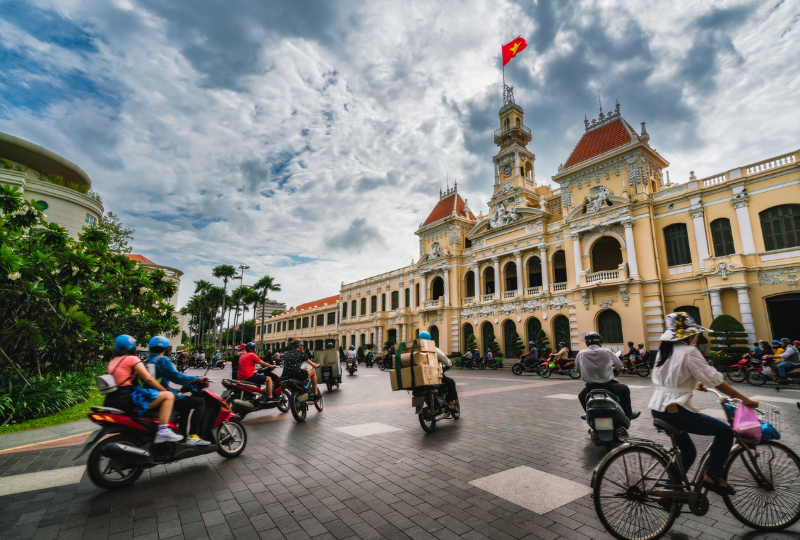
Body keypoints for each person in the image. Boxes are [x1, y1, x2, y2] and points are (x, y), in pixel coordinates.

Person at [649, 312, 759, 495]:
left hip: (659, 408)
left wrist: (695, 382)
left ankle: (670, 491)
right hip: (677, 412)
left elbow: (673, 377)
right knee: (725, 432)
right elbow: (717, 382)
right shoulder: (690, 351)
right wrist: (745, 399)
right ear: (691, 334)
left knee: (688, 453)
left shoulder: (666, 350)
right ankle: (714, 476)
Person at [104, 335, 183, 443]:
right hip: (126, 400)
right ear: (131, 347)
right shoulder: (132, 359)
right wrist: (165, 391)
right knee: (169, 396)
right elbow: (148, 379)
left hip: (111, 400)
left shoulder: (113, 361)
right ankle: (163, 431)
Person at [144, 337, 211, 445]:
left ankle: (182, 436)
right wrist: (198, 378)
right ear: (166, 349)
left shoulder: (148, 361)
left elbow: (160, 382)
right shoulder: (162, 360)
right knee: (200, 402)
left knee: (186, 406)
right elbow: (177, 377)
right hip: (162, 397)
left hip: (152, 395)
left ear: (150, 348)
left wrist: (178, 389)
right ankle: (193, 436)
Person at [575, 332, 639, 420]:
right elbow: (620, 366)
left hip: (590, 388)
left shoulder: (580, 354)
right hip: (608, 387)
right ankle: (629, 414)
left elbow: (577, 370)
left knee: (581, 396)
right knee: (625, 389)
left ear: (586, 343)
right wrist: (620, 369)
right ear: (599, 342)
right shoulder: (606, 351)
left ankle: (588, 414)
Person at [419, 331, 458, 413]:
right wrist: (449, 363)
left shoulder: (417, 349)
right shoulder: (432, 348)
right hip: (433, 376)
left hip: (419, 378)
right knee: (451, 382)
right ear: (429, 339)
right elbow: (443, 358)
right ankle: (451, 404)